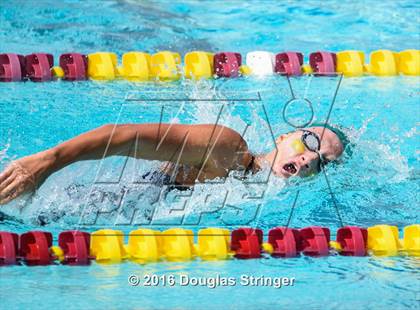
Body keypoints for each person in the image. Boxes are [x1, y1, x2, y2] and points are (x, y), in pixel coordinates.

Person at [0, 122, 347, 205]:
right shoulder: (226, 147)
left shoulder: (263, 198)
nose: (309, 158)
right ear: (283, 137)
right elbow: (124, 135)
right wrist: (48, 161)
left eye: (323, 162)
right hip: (92, 204)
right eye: (310, 142)